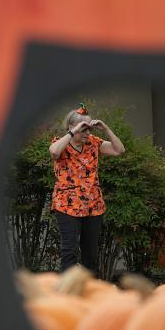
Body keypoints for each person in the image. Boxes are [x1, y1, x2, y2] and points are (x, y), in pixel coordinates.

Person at [48, 104, 125, 274]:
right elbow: (54, 152)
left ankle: (90, 293)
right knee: (70, 251)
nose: (87, 133)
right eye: (83, 129)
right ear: (72, 127)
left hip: (93, 205)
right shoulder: (60, 144)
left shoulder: (93, 143)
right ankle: (67, 294)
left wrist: (105, 129)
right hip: (67, 206)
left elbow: (119, 150)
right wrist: (72, 132)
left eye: (89, 129)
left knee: (90, 254)